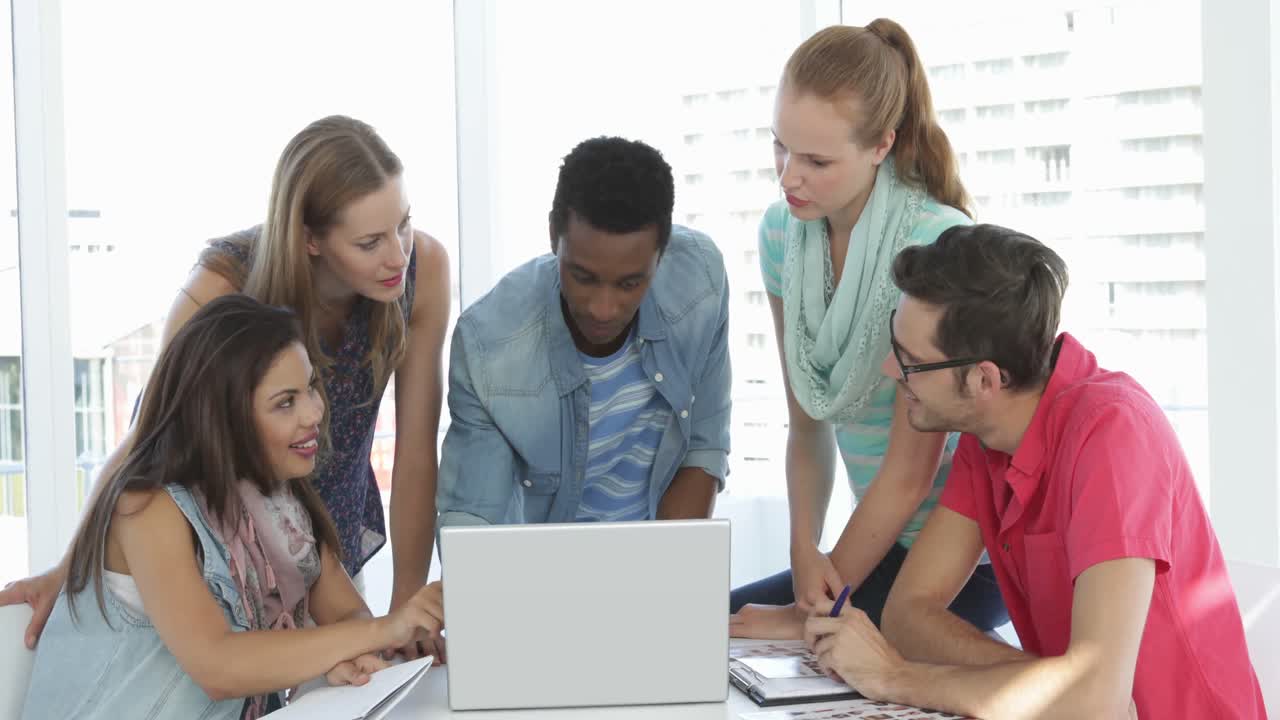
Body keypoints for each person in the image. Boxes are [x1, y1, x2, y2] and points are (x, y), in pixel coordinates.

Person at [1, 115, 451, 660]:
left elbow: (416, 452)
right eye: (370, 241)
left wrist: (408, 614)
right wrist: (71, 567)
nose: (397, 256)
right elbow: (148, 439)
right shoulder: (220, 288)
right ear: (310, 239)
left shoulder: (422, 269)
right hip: (229, 548)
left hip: (316, 533)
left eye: (403, 224)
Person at [803, 223, 1265, 719]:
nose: (892, 374)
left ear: (984, 379)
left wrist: (896, 678)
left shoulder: (1114, 435)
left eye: (911, 362)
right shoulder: (988, 435)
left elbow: (1095, 703)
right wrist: (1054, 687)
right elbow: (907, 614)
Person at [21, 295, 446, 720]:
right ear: (223, 417)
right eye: (285, 402)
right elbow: (217, 664)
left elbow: (346, 613)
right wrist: (382, 629)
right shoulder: (148, 507)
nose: (314, 412)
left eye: (311, 387)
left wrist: (351, 653)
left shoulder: (284, 501)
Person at [729, 20, 1006, 637]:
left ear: (881, 145)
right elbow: (807, 421)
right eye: (780, 146)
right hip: (875, 544)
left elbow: (911, 475)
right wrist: (805, 549)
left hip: (963, 561)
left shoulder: (937, 240)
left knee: (754, 632)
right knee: (710, 622)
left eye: (816, 160)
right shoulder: (781, 234)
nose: (787, 177)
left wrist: (804, 616)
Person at [436, 136, 730, 528]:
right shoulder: (487, 345)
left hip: (658, 560)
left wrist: (668, 574)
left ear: (662, 253)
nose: (602, 309)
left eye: (629, 284)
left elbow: (703, 446)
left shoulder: (701, 279)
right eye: (583, 277)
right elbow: (471, 517)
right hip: (537, 576)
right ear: (553, 234)